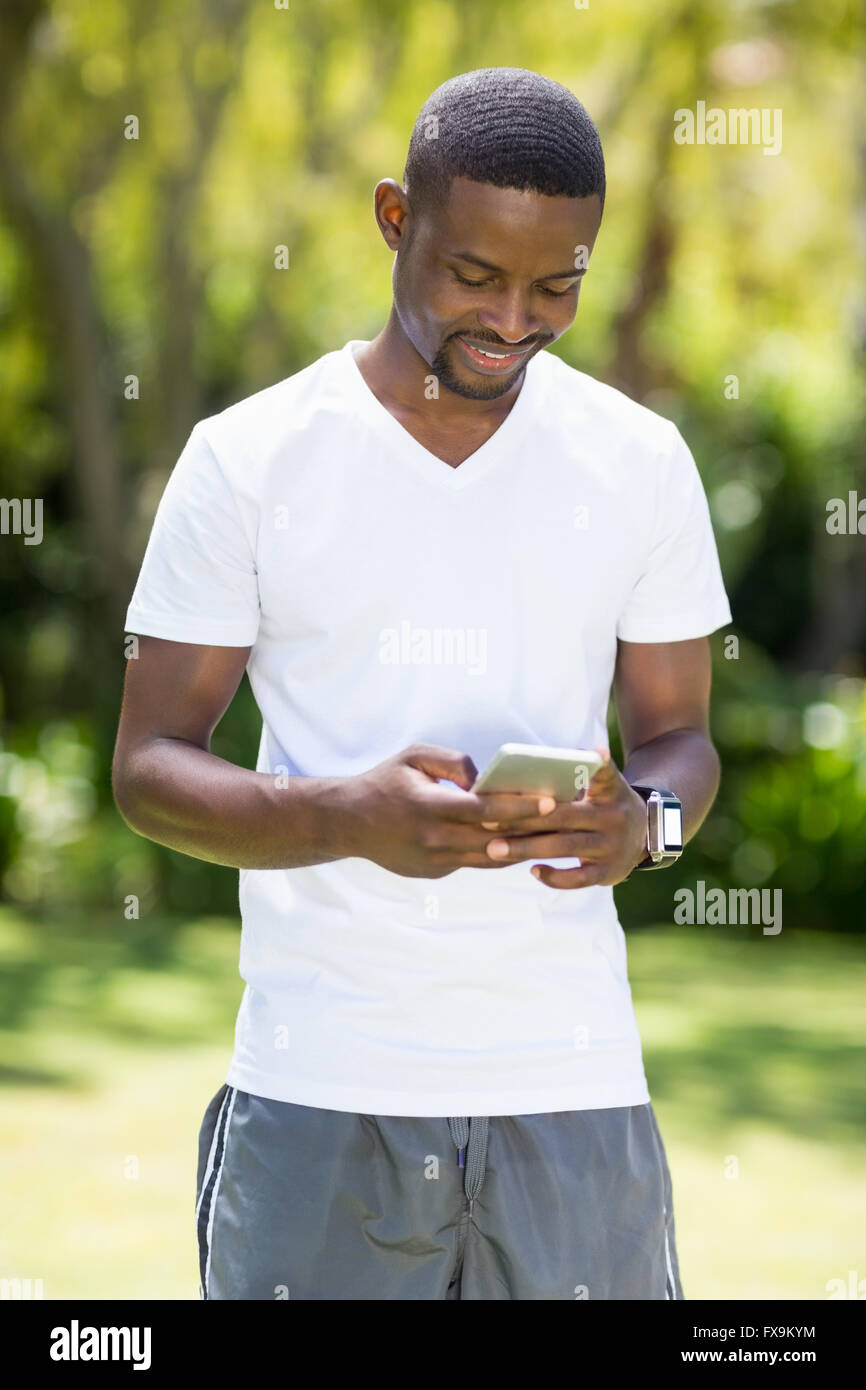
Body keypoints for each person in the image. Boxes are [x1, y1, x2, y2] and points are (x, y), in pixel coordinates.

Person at [113, 67, 732, 1301]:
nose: (512, 319)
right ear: (396, 219)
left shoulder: (638, 461)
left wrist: (644, 824)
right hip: (317, 1090)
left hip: (572, 1087)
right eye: (472, 277)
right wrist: (344, 815)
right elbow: (145, 771)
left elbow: (679, 739)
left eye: (555, 285)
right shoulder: (247, 459)